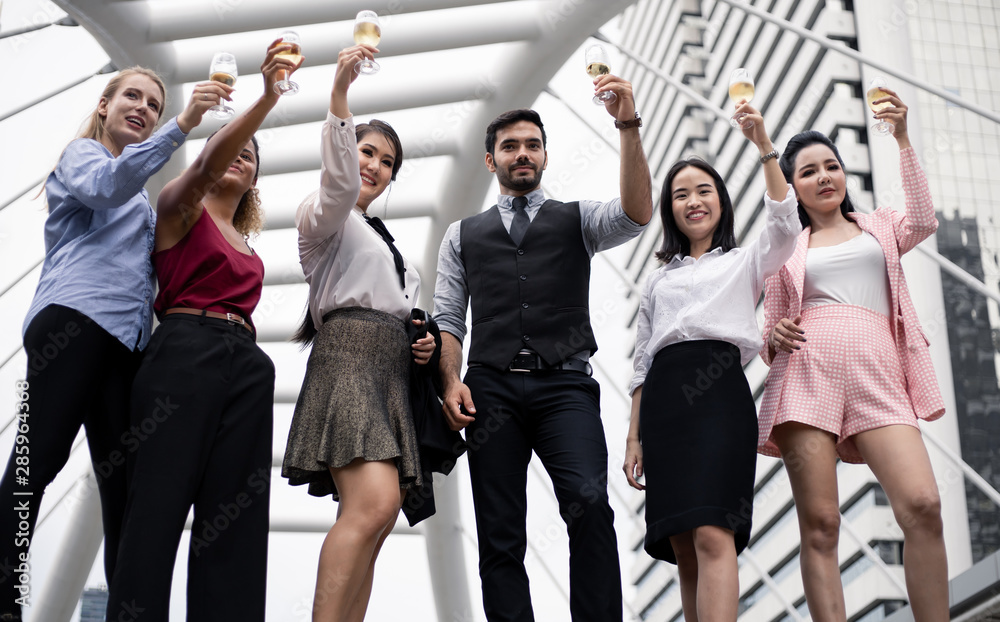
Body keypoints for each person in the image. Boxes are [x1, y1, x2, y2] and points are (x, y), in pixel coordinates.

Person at [0, 65, 218, 620]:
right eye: (132, 96)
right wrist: (184, 122)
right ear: (104, 106)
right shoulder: (82, 159)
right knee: (36, 461)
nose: (143, 107)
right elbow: (105, 187)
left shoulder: (143, 204)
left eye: (153, 102)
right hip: (74, 322)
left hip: (125, 346)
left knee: (127, 486)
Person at [433, 72, 652, 621]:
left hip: (565, 385)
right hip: (490, 389)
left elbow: (636, 214)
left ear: (546, 156)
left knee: (590, 503)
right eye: (510, 146)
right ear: (491, 161)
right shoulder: (462, 235)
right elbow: (448, 318)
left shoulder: (577, 219)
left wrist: (627, 125)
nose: (522, 154)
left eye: (532, 145)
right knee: (499, 529)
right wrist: (449, 381)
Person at [106, 41, 299, 621]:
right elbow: (210, 161)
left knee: (236, 521)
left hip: (246, 364)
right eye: (237, 146)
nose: (244, 156)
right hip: (184, 353)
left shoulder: (248, 243)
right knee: (156, 507)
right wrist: (267, 96)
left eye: (253, 154)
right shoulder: (178, 208)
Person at [758, 90, 948, 622]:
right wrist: (773, 337)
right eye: (808, 172)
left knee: (923, 506)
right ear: (792, 187)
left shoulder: (880, 227)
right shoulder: (784, 249)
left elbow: (925, 218)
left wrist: (903, 138)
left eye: (832, 166)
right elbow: (768, 335)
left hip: (879, 375)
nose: (823, 177)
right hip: (806, 376)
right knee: (821, 525)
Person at [622, 103, 799, 621]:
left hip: (720, 397)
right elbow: (640, 362)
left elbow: (786, 224)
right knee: (682, 545)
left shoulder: (748, 261)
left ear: (721, 201)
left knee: (713, 531)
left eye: (704, 191)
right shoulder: (657, 279)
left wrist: (764, 144)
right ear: (670, 210)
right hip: (662, 406)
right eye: (681, 195)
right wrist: (633, 437)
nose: (693, 202)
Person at [280, 43, 437, 622]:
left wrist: (420, 343)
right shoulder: (324, 217)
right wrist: (340, 96)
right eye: (367, 151)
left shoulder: (387, 243)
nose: (374, 165)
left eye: (387, 161)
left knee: (380, 515)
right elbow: (340, 182)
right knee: (373, 505)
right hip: (348, 359)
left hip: (391, 373)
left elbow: (406, 309)